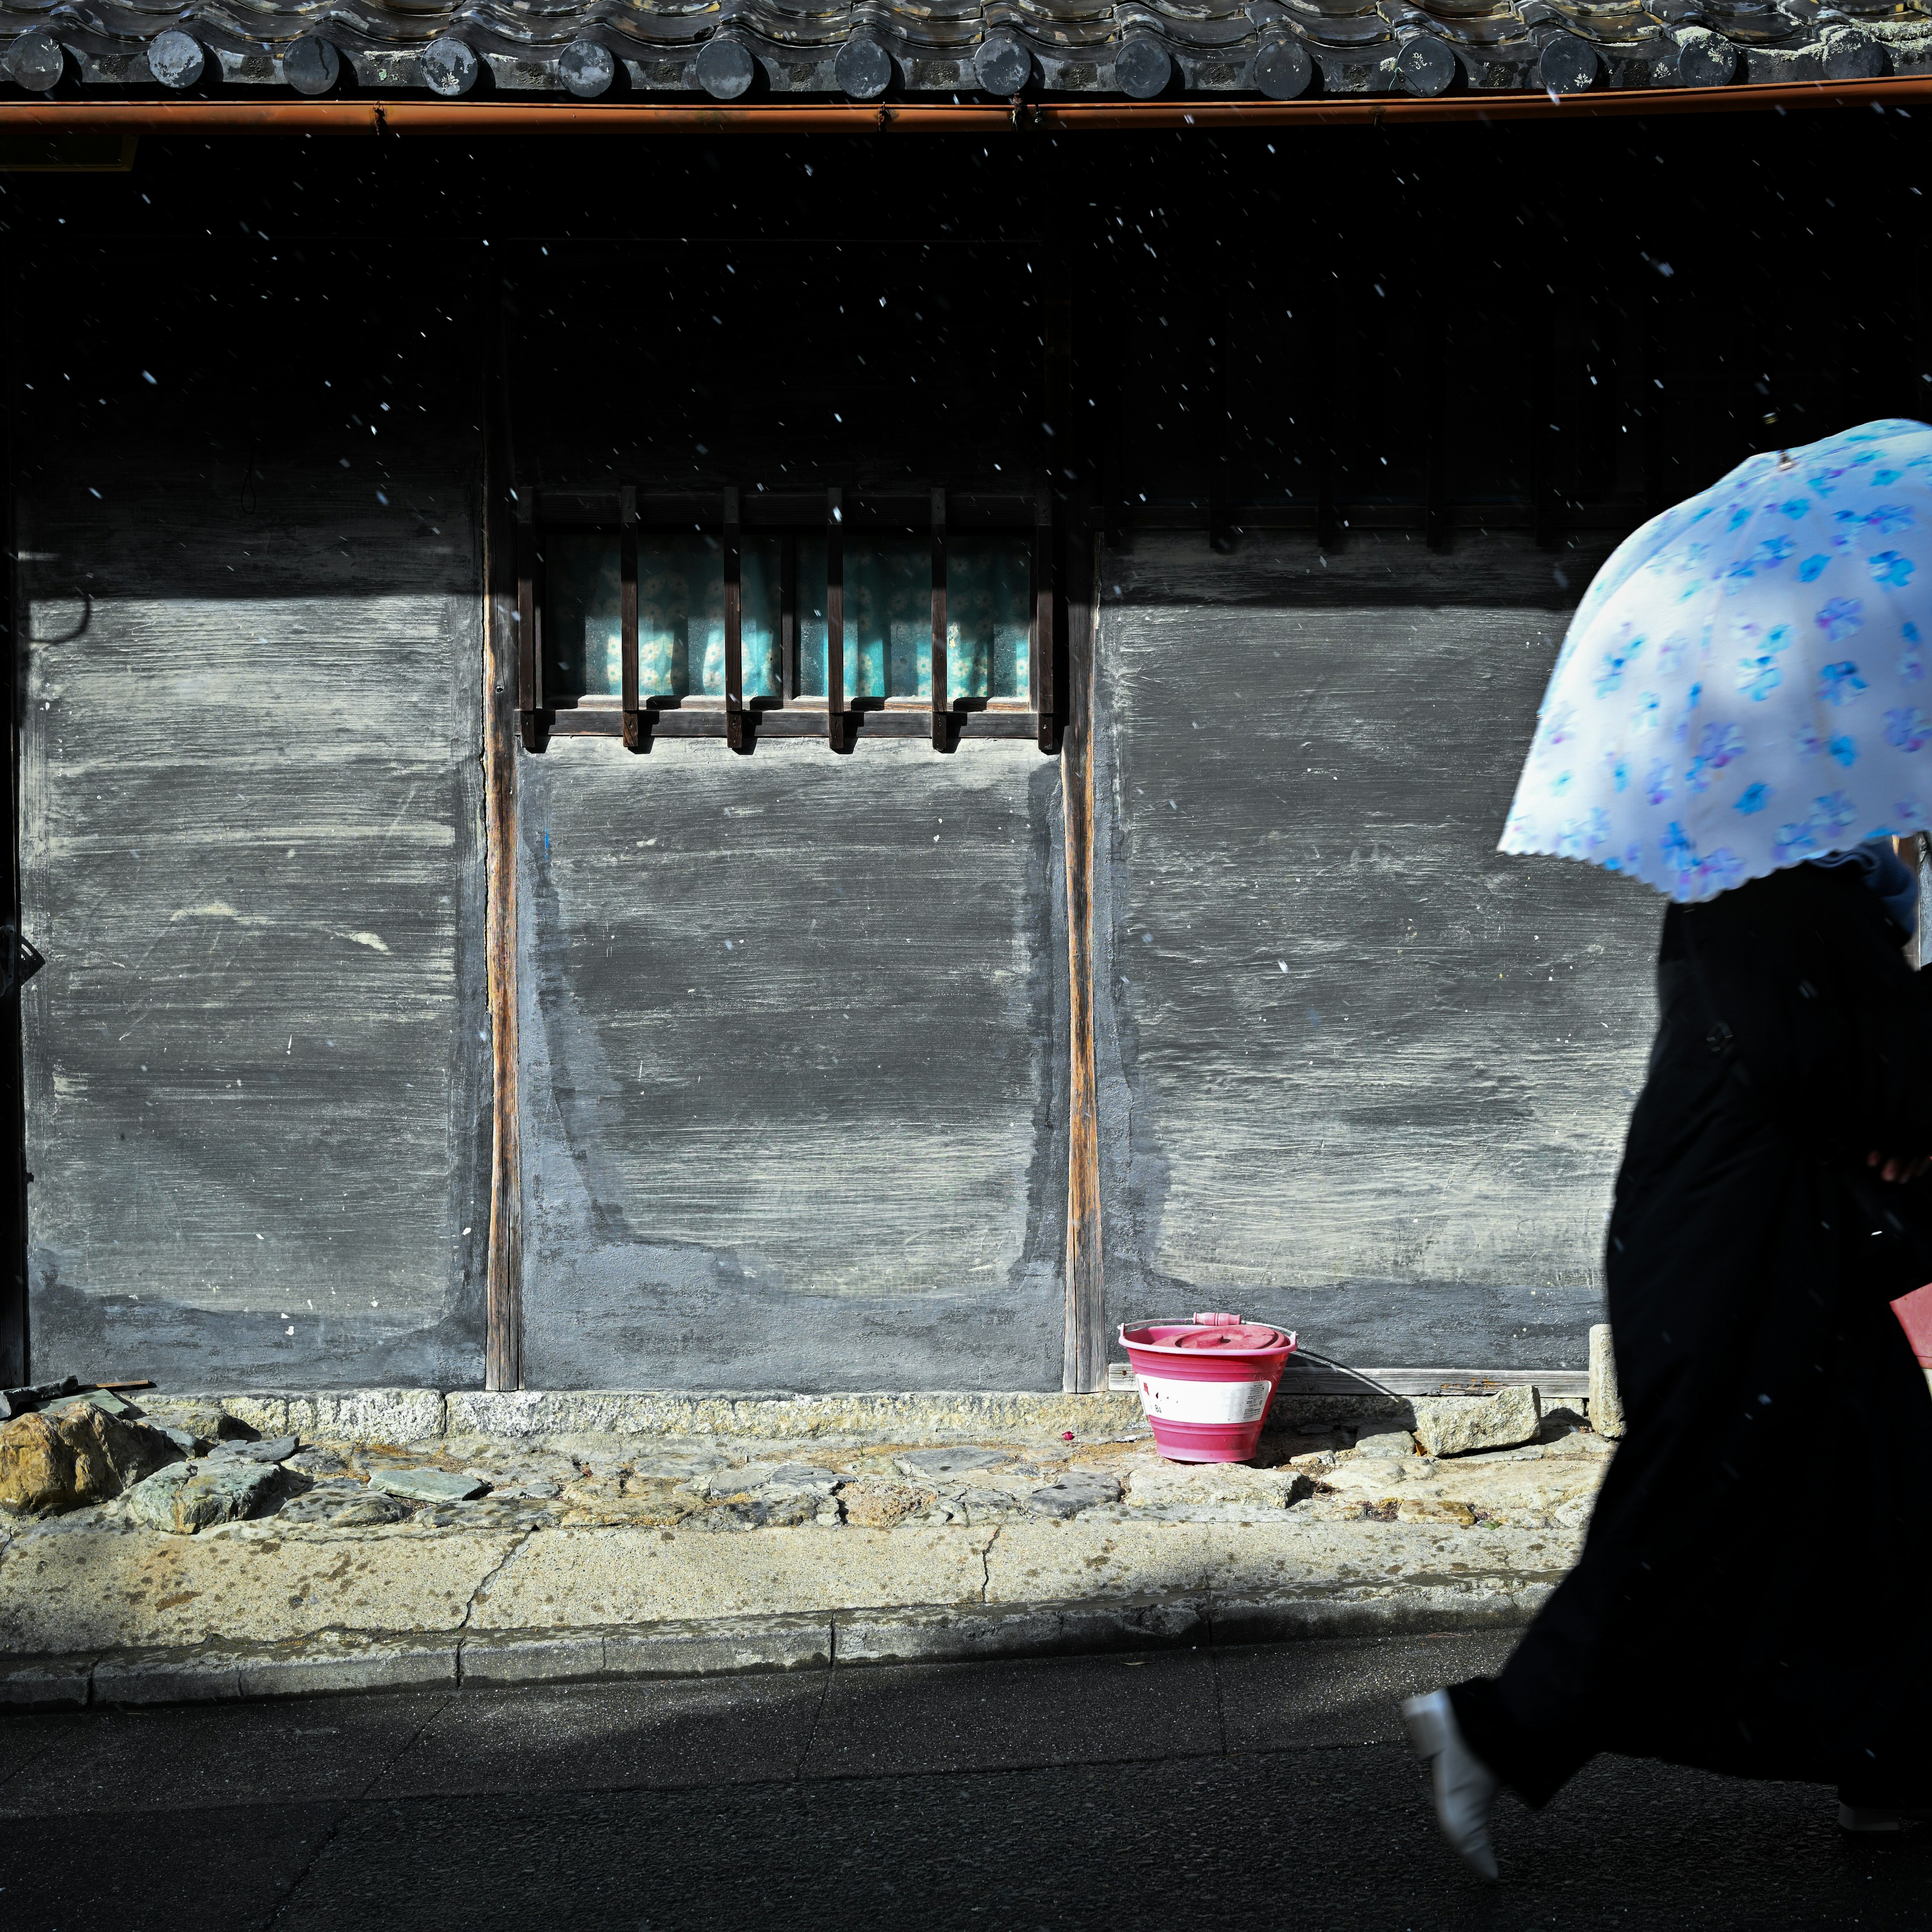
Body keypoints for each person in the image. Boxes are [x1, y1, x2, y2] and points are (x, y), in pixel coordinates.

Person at [1402, 839, 1932, 1878]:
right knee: (1699, 1516)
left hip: (1775, 1246)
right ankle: (1497, 1729)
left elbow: (1858, 1061)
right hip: (1742, 1259)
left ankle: (1896, 1765)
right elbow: (1837, 1067)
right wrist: (1905, 1106)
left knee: (1886, 1492)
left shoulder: (1783, 886)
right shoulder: (1782, 890)